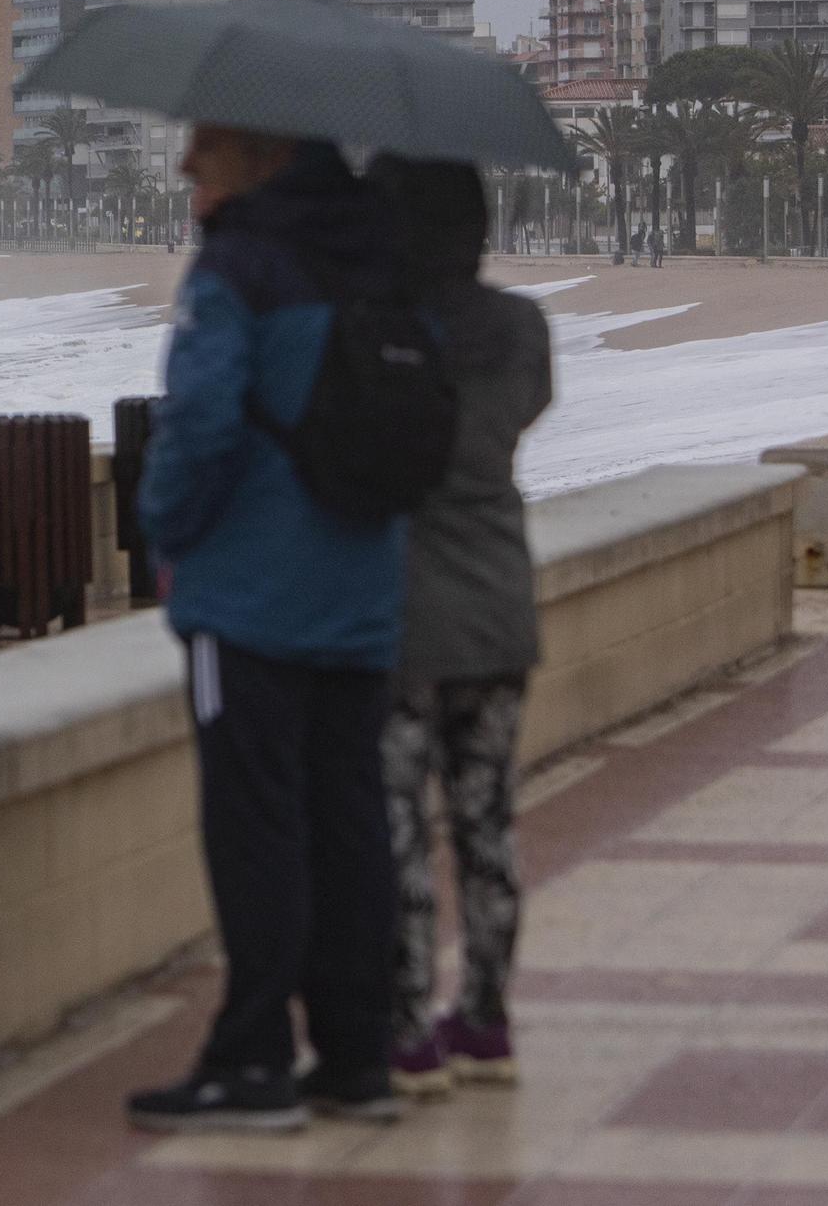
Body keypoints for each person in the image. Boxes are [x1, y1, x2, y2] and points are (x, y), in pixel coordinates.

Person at [127, 127, 406, 1134]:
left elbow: (196, 425)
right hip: (360, 592)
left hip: (248, 597)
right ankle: (354, 1055)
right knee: (347, 825)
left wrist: (161, 531)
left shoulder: (236, 267)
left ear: (260, 155)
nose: (183, 164)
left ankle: (250, 1061)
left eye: (203, 144)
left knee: (255, 829)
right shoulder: (379, 254)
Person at [364, 156, 552, 1100]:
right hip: (498, 597)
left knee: (399, 825)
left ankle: (404, 1027)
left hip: (403, 611)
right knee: (486, 820)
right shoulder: (521, 329)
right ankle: (485, 1015)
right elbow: (524, 410)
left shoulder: (387, 332)